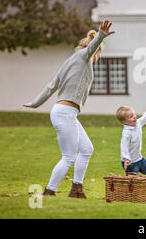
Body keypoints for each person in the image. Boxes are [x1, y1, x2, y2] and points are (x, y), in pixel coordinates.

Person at [24, 20, 115, 198]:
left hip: (65, 113)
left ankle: (76, 189)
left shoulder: (70, 62)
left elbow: (51, 86)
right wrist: (101, 35)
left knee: (87, 149)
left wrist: (34, 103)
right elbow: (92, 48)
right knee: (69, 157)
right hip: (65, 113)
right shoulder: (83, 56)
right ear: (96, 51)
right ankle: (50, 191)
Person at [116, 96, 146, 176]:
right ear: (124, 122)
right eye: (131, 117)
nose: (134, 117)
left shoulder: (138, 123)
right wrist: (126, 158)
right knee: (133, 180)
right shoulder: (126, 133)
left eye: (134, 114)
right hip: (130, 162)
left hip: (139, 158)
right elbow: (124, 146)